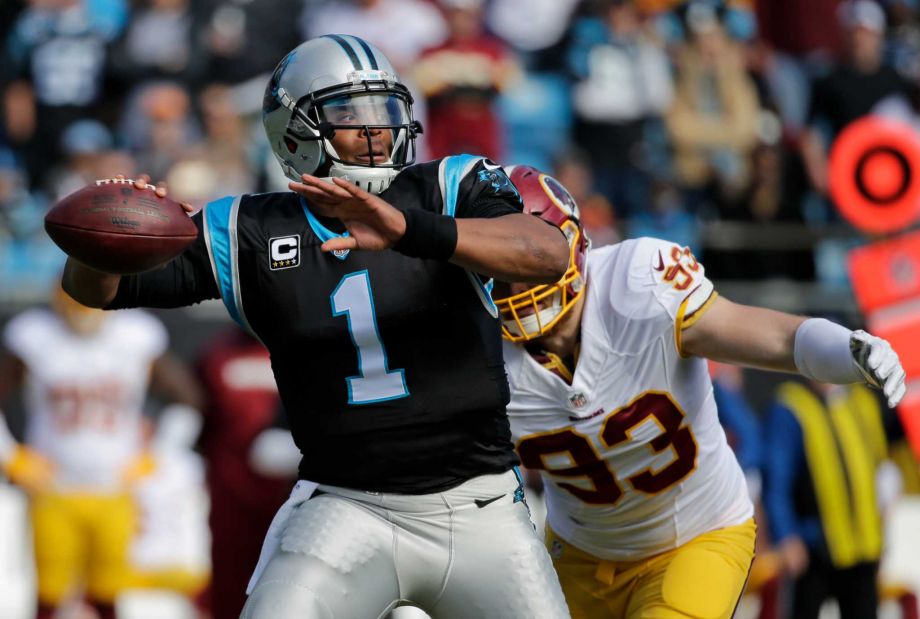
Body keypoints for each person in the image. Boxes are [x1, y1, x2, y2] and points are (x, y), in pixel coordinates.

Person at [61, 36, 571, 618]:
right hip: (347, 507)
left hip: (480, 506)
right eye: (350, 113)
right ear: (294, 132)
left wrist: (410, 231)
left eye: (384, 110)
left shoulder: (448, 187)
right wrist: (103, 240)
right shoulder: (247, 230)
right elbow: (96, 290)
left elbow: (545, 252)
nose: (376, 130)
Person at [491, 165, 906, 619]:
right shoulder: (474, 350)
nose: (518, 277)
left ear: (571, 243)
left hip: (695, 536)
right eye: (500, 264)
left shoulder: (637, 281)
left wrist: (842, 348)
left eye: (531, 254)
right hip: (579, 553)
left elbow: (774, 339)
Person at [0, 285, 204, 619]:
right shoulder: (33, 335)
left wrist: (159, 454)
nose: (82, 305)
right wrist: (11, 456)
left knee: (109, 590)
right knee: (49, 593)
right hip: (53, 488)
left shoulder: (137, 336)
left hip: (115, 488)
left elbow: (188, 400)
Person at [763, 379, 899, 619]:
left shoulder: (861, 400)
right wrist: (786, 536)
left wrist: (883, 524)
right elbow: (777, 478)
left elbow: (878, 465)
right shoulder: (792, 406)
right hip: (813, 546)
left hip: (863, 546)